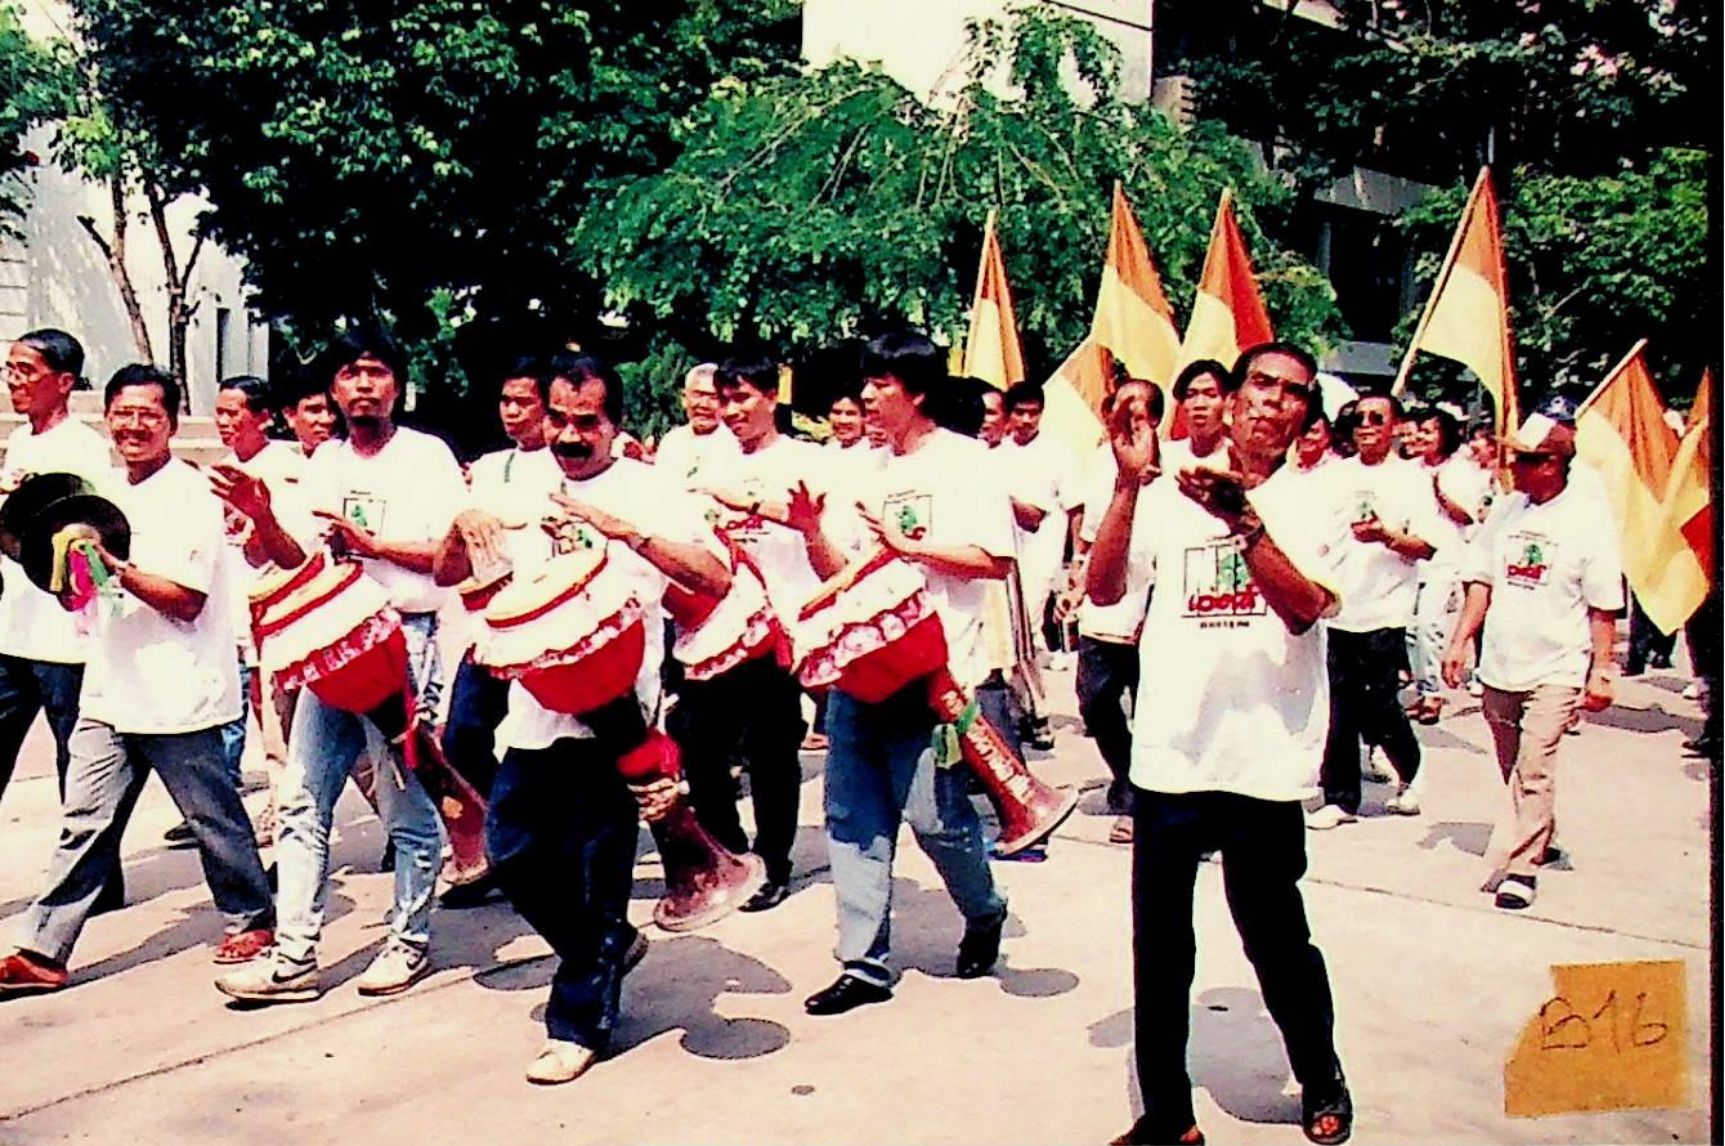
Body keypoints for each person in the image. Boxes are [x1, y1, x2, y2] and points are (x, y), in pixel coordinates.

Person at [438, 351, 732, 1083]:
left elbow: (713, 577)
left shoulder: (650, 490)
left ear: (615, 424)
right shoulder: (514, 485)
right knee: (511, 853)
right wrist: (460, 530)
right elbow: (449, 574)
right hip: (534, 704)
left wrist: (626, 531)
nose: (570, 436)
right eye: (559, 420)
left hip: (617, 713)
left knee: (600, 869)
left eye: (587, 423)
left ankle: (578, 1024)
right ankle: (604, 945)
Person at [1088, 343, 1353, 1146]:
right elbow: (1103, 589)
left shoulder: (1320, 499)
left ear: (1304, 415)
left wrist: (1243, 521)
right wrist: (1126, 484)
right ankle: (1167, 1114)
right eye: (1260, 385)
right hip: (1172, 752)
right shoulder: (1168, 493)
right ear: (1231, 401)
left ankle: (1319, 1074)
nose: (1273, 401)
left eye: (1292, 393)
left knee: (1273, 934)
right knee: (1159, 945)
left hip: (1264, 757)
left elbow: (1303, 607)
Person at [0, 365, 276, 994]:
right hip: (110, 686)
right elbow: (75, 587)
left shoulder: (192, 497)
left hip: (179, 690)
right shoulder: (97, 494)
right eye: (123, 413)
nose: (134, 426)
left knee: (211, 818)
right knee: (84, 821)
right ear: (107, 419)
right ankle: (43, 950)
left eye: (149, 414)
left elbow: (187, 601)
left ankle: (251, 916)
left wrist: (112, 566)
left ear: (172, 424)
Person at [213, 325, 468, 1003]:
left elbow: (451, 559)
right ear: (333, 389)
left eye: (376, 372)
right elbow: (294, 557)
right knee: (301, 800)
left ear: (397, 385)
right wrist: (261, 516)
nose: (363, 386)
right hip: (329, 642)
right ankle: (294, 956)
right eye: (350, 374)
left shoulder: (427, 457)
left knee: (405, 803)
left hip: (401, 641)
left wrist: (372, 544)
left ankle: (408, 940)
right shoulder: (322, 461)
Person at [787, 330, 1011, 1016]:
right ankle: (863, 965)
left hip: (933, 674)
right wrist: (810, 532)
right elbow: (840, 574)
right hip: (861, 669)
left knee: (934, 818)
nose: (866, 397)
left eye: (880, 384)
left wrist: (910, 547)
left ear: (916, 392)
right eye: (865, 383)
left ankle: (984, 908)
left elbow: (993, 559)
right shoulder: (860, 469)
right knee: (851, 817)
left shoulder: (965, 463)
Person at [1442, 408, 1623, 910]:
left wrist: (1601, 669)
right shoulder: (1506, 511)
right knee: (1513, 762)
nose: (1513, 467)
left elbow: (1603, 605)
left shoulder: (1587, 521)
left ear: (1553, 464)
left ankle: (1522, 867)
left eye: (1524, 459)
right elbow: (1481, 579)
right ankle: (1542, 831)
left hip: (1558, 665)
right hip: (1502, 662)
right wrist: (1459, 640)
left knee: (1535, 763)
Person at [673, 352, 822, 912]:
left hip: (776, 629)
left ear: (771, 396)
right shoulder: (701, 463)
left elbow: (815, 525)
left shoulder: (805, 460)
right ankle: (730, 853)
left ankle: (774, 862)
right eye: (724, 400)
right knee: (700, 749)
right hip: (711, 631)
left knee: (771, 752)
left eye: (742, 398)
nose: (732, 411)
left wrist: (751, 503)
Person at [0, 332, 125, 924]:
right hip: (12, 630)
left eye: (27, 370)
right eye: (10, 368)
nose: (14, 380)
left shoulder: (85, 450)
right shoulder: (20, 441)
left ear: (65, 381)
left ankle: (95, 882)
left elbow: (85, 537)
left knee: (76, 766)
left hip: (65, 637)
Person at [436, 358, 560, 907]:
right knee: (462, 737)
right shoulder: (488, 468)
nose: (511, 412)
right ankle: (499, 845)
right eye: (505, 402)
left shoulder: (568, 463)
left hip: (551, 624)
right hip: (491, 626)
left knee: (551, 745)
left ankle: (545, 851)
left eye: (523, 403)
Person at [1306, 392, 1441, 827]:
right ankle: (1341, 798)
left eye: (1376, 418)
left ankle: (1411, 768)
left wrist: (1386, 537)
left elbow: (1426, 545)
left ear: (1395, 426)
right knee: (1339, 706)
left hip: (1386, 608)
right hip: (1340, 607)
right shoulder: (1334, 475)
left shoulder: (1412, 479)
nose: (1366, 426)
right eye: (1360, 418)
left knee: (1379, 704)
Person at [1067, 379, 1163, 846]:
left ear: (1155, 418)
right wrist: (1076, 580)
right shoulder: (1097, 463)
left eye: (1138, 411)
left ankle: (1139, 802)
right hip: (1103, 607)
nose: (1128, 418)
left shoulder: (1172, 468)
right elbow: (1088, 536)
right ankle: (1126, 775)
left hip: (1154, 606)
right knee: (1094, 701)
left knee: (1153, 711)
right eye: (1119, 409)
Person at [1403, 406, 1489, 725]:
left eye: (1429, 431)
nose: (1422, 437)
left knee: (1429, 626)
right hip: (1410, 558)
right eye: (1420, 430)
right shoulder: (1409, 469)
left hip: (1445, 559)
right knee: (1410, 631)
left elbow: (1467, 516)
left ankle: (1434, 694)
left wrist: (1440, 493)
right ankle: (1423, 688)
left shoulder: (1461, 469)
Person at [653, 363, 740, 489]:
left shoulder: (735, 443)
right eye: (698, 395)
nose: (704, 404)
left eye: (714, 397)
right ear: (684, 398)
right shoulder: (672, 441)